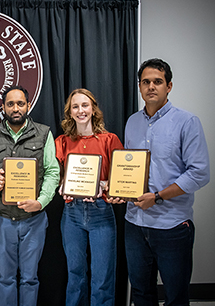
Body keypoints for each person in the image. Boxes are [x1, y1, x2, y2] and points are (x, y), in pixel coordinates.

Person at [124, 58, 209, 305]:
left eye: (157, 82)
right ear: (139, 87)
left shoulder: (187, 122)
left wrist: (158, 196)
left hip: (172, 226)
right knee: (141, 294)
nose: (151, 86)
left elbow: (199, 173)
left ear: (169, 86)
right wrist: (120, 190)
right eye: (146, 82)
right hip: (135, 224)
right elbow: (128, 169)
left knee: (175, 297)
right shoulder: (132, 122)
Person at [0, 86, 60, 306]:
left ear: (28, 105)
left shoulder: (44, 133)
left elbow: (52, 171)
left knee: (29, 279)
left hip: (33, 219)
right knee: (5, 279)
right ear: (3, 107)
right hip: (2, 219)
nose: (15, 108)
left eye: (20, 103)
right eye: (10, 104)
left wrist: (41, 202)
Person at [55, 88, 123, 306]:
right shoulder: (62, 142)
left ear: (93, 109)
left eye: (85, 105)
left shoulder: (109, 140)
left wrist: (102, 185)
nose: (80, 110)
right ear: (70, 112)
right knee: (75, 275)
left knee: (102, 277)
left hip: (101, 212)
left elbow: (121, 179)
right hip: (72, 213)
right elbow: (54, 175)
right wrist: (62, 184)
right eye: (75, 106)